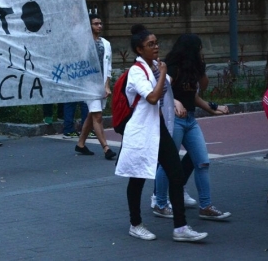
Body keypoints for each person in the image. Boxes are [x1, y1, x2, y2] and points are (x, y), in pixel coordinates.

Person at [115, 24, 208, 242]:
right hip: (140, 131)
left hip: (158, 129)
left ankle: (181, 227)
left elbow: (167, 95)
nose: (156, 47)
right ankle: (135, 224)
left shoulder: (156, 67)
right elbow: (153, 97)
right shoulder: (137, 72)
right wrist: (163, 73)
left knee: (175, 175)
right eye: (150, 44)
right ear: (140, 49)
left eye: (156, 43)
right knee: (137, 178)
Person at [153, 34, 231, 221]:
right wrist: (175, 102)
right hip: (175, 120)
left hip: (190, 120)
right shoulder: (173, 68)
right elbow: (162, 91)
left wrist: (212, 108)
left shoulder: (192, 69)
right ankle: (160, 203)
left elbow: (199, 91)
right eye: (199, 49)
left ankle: (206, 206)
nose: (201, 52)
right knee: (168, 162)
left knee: (202, 161)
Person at [75, 14, 116, 160]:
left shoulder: (106, 43)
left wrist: (107, 85)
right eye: (95, 24)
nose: (99, 26)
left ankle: (80, 144)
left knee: (92, 114)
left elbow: (109, 66)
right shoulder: (83, 43)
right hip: (88, 83)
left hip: (101, 83)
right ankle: (106, 148)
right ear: (89, 26)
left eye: (100, 23)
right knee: (97, 116)